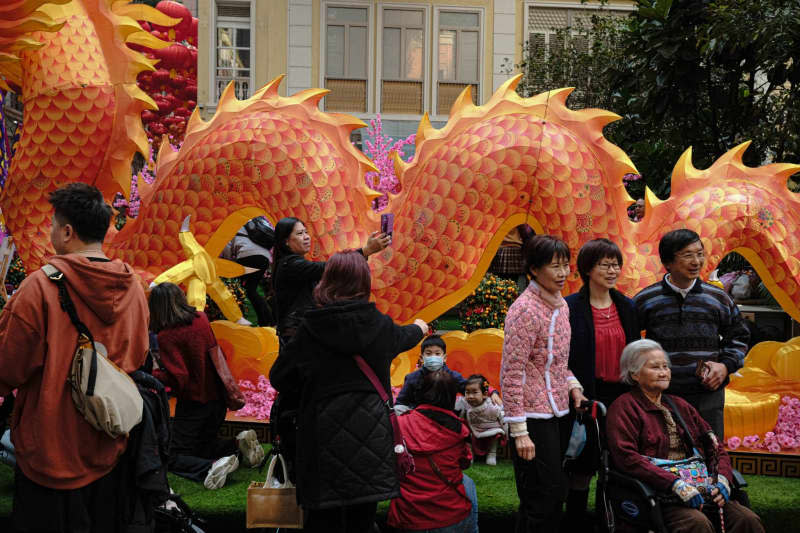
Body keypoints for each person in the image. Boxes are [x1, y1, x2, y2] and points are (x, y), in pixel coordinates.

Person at [0, 183, 150, 532]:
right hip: (111, 440)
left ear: (67, 232)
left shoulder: (39, 288)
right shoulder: (133, 289)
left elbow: (8, 367)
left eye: (53, 225)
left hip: (49, 449)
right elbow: (140, 354)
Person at [269, 250, 428, 533]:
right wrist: (419, 328)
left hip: (321, 438)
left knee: (321, 521)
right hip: (371, 439)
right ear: (364, 283)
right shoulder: (379, 326)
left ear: (326, 281)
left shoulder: (310, 328)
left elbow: (280, 377)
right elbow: (405, 336)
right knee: (362, 520)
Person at [607, 339, 765, 533]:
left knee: (747, 519)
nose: (664, 372)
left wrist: (723, 479)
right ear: (635, 374)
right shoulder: (624, 408)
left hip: (701, 488)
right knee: (696, 523)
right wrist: (674, 484)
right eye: (655, 367)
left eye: (665, 366)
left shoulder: (679, 405)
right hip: (660, 495)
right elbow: (626, 458)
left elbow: (714, 446)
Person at [500, 234, 587, 532]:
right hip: (531, 419)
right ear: (534, 269)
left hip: (558, 411)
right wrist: (519, 431)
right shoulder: (524, 310)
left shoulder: (561, 306)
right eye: (555, 267)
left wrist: (573, 385)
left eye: (566, 266)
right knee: (544, 497)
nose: (563, 274)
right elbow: (511, 373)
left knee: (550, 494)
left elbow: (558, 361)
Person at [634, 229, 749, 437]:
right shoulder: (647, 299)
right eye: (687, 255)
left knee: (710, 454)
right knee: (666, 458)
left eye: (699, 254)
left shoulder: (718, 298)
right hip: (661, 395)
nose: (696, 261)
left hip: (708, 394)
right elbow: (630, 342)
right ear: (668, 262)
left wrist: (725, 366)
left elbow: (739, 336)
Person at [149, 282, 264, 489]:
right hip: (219, 400)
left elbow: (180, 377)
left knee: (173, 455)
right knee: (202, 444)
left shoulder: (167, 336)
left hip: (194, 403)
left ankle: (211, 467)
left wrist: (154, 374)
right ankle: (237, 446)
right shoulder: (201, 319)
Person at [564, 238, 640, 525]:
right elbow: (564, 356)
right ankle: (575, 522)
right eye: (605, 265)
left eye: (616, 265)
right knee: (583, 465)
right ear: (587, 269)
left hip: (622, 395)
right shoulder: (570, 307)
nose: (612, 270)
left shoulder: (627, 307)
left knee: (620, 462)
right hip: (584, 396)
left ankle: (612, 520)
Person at [271, 216, 390, 344]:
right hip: (296, 334)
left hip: (303, 330)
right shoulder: (290, 265)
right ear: (286, 241)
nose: (306, 237)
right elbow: (328, 268)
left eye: (306, 232)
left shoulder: (294, 263)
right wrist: (366, 251)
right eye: (300, 234)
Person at [388, 370, 478, 533]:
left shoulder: (399, 424)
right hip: (452, 516)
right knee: (468, 482)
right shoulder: (460, 429)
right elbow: (465, 463)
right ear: (452, 396)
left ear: (420, 392)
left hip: (408, 518)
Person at [395, 335, 502, 414]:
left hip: (446, 418)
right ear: (422, 357)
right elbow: (401, 402)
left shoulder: (452, 376)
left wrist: (492, 392)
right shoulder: (412, 378)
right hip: (418, 418)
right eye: (428, 353)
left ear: (444, 357)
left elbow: (472, 385)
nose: (433, 357)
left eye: (437, 354)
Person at [220, 216, 274, 326]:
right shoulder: (252, 220)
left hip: (247, 255)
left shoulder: (231, 223)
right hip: (264, 257)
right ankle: (267, 320)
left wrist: (229, 262)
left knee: (240, 290)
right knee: (251, 289)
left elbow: (227, 248)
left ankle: (246, 320)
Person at [455, 374, 506, 466]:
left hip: (490, 429)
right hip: (474, 431)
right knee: (465, 434)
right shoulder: (465, 403)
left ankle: (492, 453)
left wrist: (506, 430)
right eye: (467, 392)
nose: (470, 396)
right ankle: (470, 454)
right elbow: (457, 406)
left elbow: (502, 416)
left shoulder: (492, 405)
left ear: (485, 394)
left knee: (496, 434)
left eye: (475, 392)